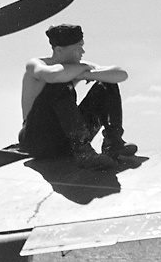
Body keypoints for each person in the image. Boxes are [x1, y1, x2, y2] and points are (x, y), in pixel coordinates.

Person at [19, 24, 137, 170]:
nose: (82, 51)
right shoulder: (37, 64)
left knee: (107, 83)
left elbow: (121, 74)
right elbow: (54, 75)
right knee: (58, 85)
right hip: (38, 140)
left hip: (66, 142)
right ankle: (83, 151)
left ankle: (113, 143)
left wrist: (87, 74)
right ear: (59, 50)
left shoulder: (78, 67)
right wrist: (81, 71)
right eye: (77, 48)